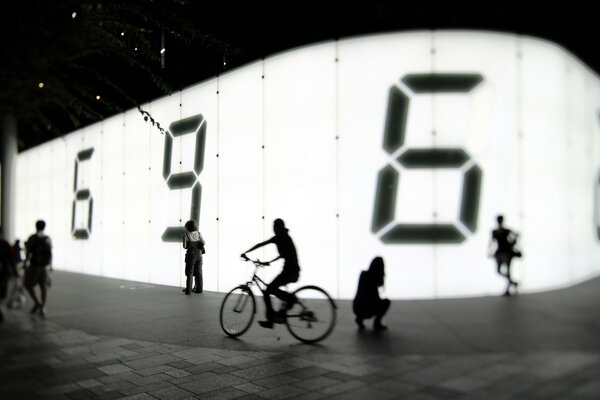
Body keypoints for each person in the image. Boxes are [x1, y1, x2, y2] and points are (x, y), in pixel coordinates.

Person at [241, 218, 300, 329]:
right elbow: (284, 254)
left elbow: (260, 244)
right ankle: (276, 315)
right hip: (291, 270)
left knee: (268, 290)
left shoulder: (280, 238)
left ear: (278, 228)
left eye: (274, 227)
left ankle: (287, 303)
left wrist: (246, 252)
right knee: (270, 289)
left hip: (290, 271)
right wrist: (269, 262)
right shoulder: (284, 238)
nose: (273, 229)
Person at [353, 256, 391, 331]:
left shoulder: (363, 274)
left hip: (356, 307)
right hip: (368, 310)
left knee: (365, 301)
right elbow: (375, 297)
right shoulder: (374, 279)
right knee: (386, 302)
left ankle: (359, 318)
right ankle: (377, 323)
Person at [24, 220, 53, 316]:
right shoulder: (47, 238)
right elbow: (50, 253)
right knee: (43, 287)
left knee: (28, 285)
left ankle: (37, 303)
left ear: (36, 226)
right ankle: (43, 307)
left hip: (34, 266)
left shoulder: (32, 238)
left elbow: (28, 252)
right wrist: (50, 265)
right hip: (44, 267)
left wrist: (25, 262)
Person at [489, 215, 521, 296]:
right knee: (498, 271)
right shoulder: (495, 231)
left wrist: (513, 243)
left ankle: (508, 289)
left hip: (507, 252)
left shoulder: (506, 230)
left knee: (508, 270)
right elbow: (492, 241)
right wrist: (490, 251)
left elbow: (517, 234)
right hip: (499, 252)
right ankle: (513, 282)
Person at [182, 219, 205, 295]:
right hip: (199, 254)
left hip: (191, 255)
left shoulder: (186, 234)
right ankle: (199, 289)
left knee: (190, 272)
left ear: (187, 227)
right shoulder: (198, 233)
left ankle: (188, 290)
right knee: (199, 272)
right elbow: (204, 242)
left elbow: (184, 246)